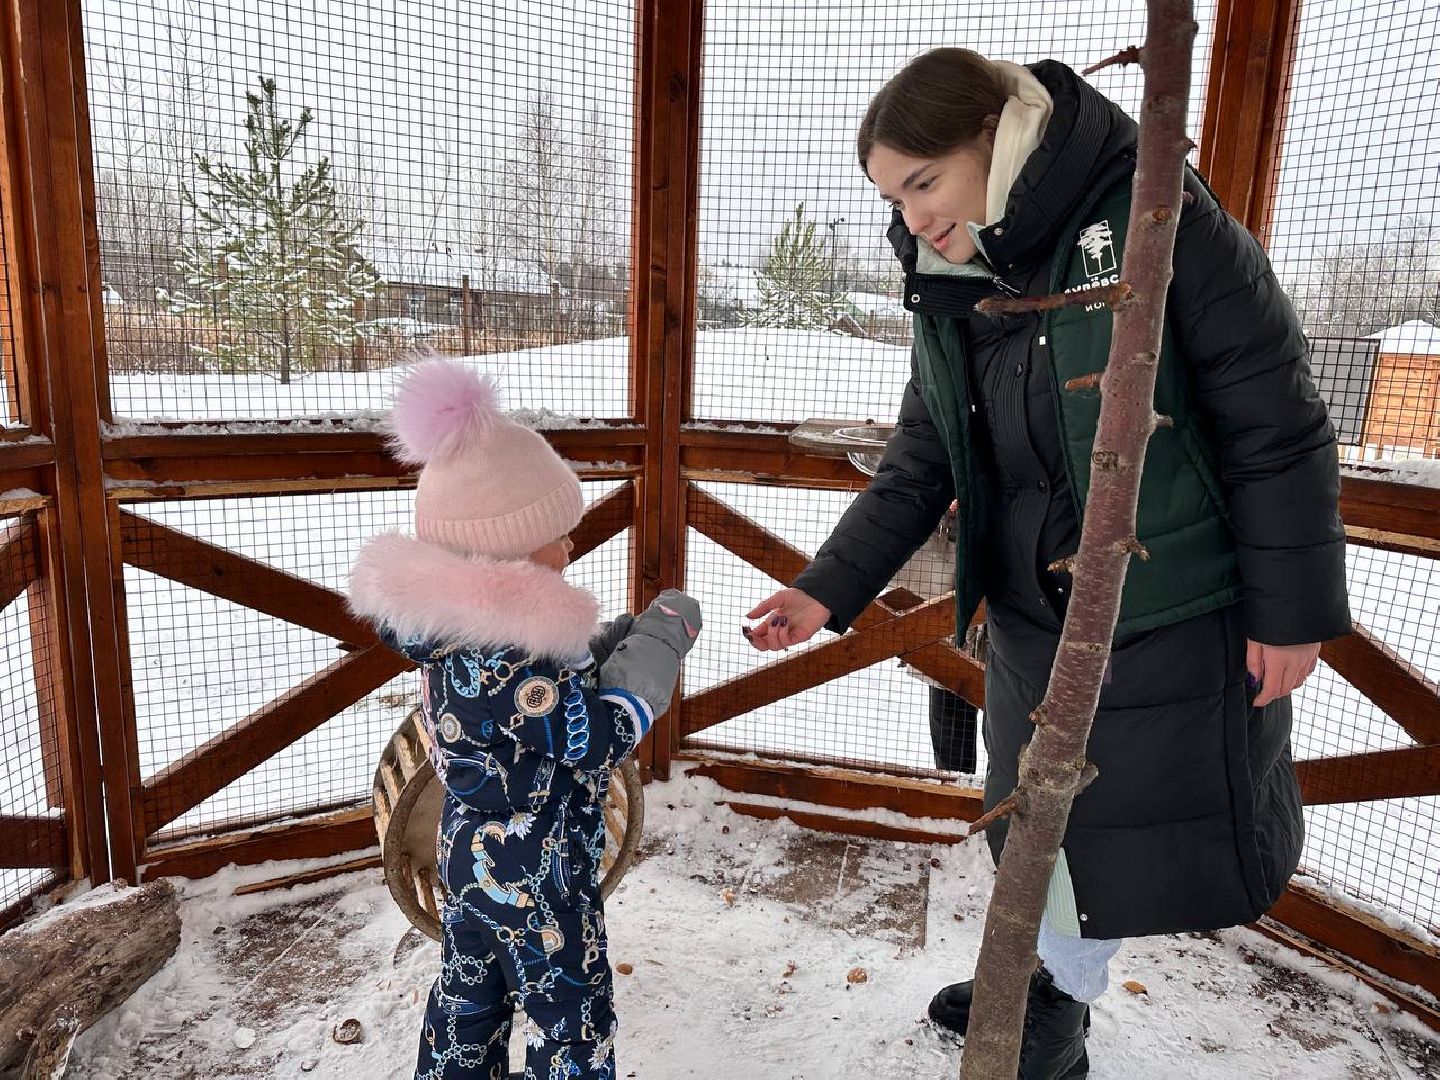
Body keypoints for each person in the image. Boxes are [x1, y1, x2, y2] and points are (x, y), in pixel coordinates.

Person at [744, 48, 1350, 1078]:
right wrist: (823, 588)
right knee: (1037, 828)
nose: (913, 215)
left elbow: (1277, 422)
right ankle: (1033, 975)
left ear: (995, 134)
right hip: (1029, 617)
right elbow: (922, 458)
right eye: (893, 196)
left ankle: (1054, 1017)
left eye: (923, 181)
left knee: (1096, 843)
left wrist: (1292, 613)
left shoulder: (1155, 217)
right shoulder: (957, 277)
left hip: (1156, 609)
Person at [349, 357, 702, 1080]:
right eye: (557, 534)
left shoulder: (456, 636)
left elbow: (542, 690)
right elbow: (592, 739)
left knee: (467, 1001)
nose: (571, 545)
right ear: (505, 548)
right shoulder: (509, 658)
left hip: (468, 861)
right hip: (538, 875)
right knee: (569, 1015)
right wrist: (654, 654)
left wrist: (603, 646)